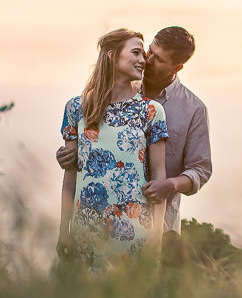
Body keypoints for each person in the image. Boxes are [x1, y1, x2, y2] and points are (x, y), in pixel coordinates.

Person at [56, 24, 212, 240]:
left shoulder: (193, 109)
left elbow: (201, 169)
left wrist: (170, 184)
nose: (147, 61)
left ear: (176, 68)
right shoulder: (118, 89)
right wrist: (77, 152)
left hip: (160, 226)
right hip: (99, 225)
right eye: (149, 51)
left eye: (158, 59)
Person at [58, 28, 169, 269]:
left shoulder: (151, 111)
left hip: (135, 233)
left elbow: (160, 178)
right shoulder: (76, 108)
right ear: (112, 56)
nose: (143, 60)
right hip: (85, 233)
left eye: (143, 54)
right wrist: (63, 232)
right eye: (136, 53)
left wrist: (157, 236)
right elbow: (70, 176)